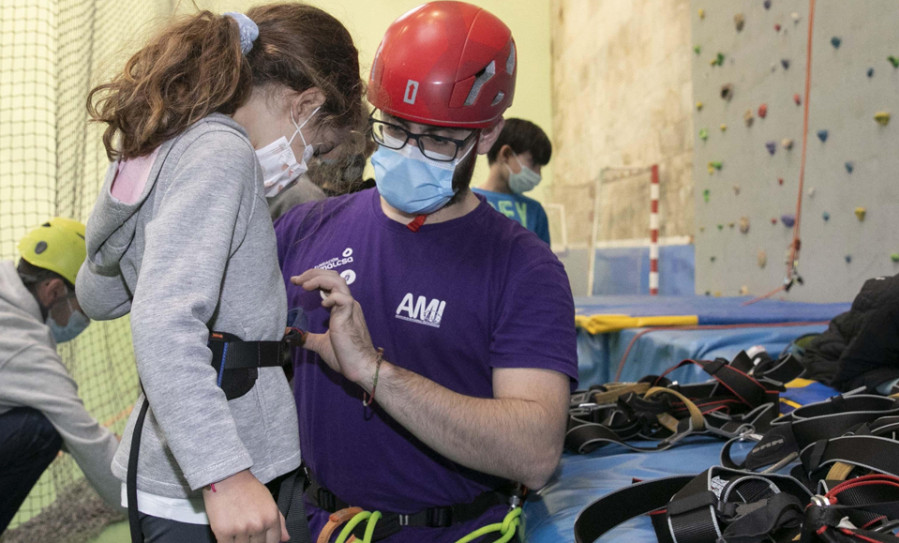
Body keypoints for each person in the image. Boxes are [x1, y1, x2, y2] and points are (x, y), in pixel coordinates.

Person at [274, 2, 577, 541]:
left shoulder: (523, 268)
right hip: (318, 524)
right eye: (394, 128)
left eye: (438, 138)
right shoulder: (304, 229)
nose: (409, 152)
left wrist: (373, 372)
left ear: (486, 136)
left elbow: (534, 453)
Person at [75, 4, 364, 542]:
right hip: (215, 477)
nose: (303, 162)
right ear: (306, 103)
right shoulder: (222, 152)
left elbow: (98, 294)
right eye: (315, 145)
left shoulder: (174, 144)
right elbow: (163, 324)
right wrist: (225, 477)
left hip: (189, 462)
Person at [0, 218, 121, 534]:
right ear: (53, 290)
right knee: (40, 430)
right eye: (82, 307)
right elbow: (108, 473)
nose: (84, 319)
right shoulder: (25, 349)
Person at [474, 118, 553, 244]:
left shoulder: (535, 211)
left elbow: (545, 261)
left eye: (540, 167)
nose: (538, 174)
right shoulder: (469, 202)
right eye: (533, 163)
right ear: (506, 154)